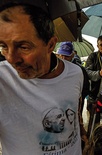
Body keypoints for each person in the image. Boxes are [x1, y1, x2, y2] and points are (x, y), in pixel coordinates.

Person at [0, 3, 83, 155]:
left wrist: (83, 134)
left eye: (24, 47)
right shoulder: (2, 80)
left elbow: (75, 113)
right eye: (3, 46)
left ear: (50, 44)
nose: (11, 59)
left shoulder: (75, 73)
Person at [55, 41, 90, 150]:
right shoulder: (55, 71)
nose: (64, 58)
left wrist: (77, 98)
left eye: (67, 55)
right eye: (62, 55)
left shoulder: (79, 71)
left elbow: (85, 88)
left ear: (73, 55)